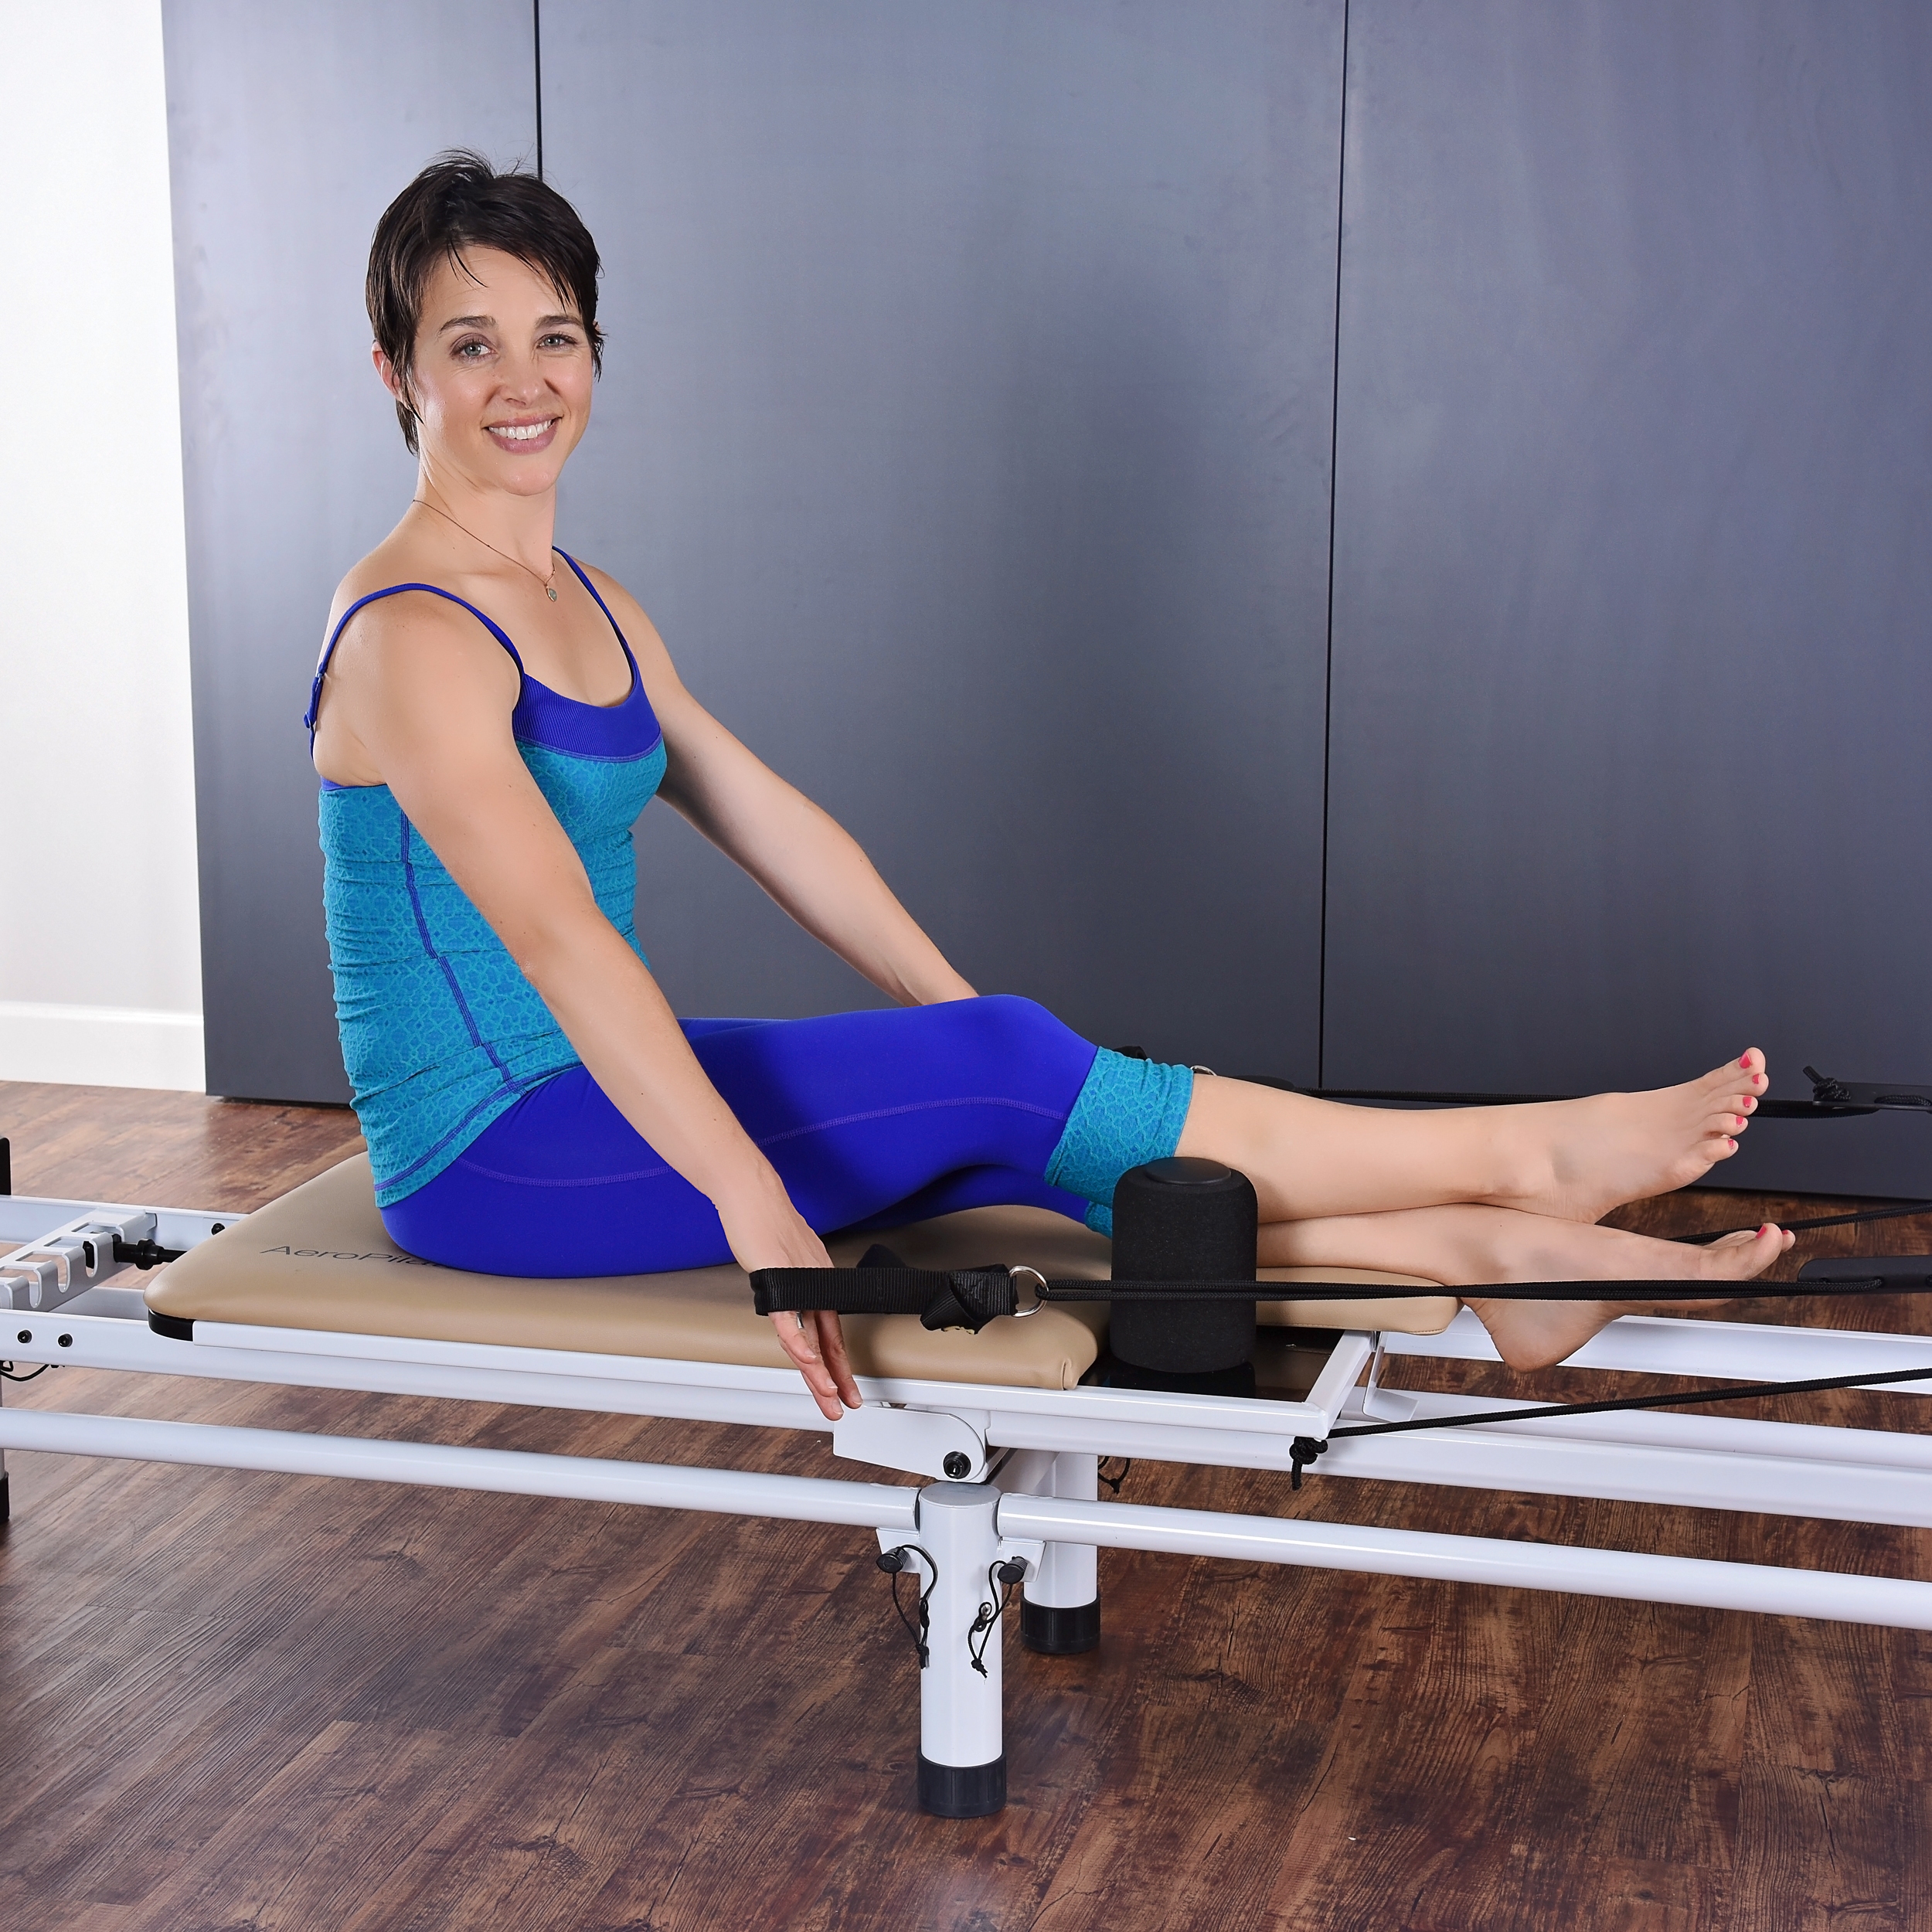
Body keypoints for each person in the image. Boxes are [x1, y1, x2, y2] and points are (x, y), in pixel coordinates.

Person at [308, 152, 1791, 1423]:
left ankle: (1503, 1266)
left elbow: (773, 824)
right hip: (487, 1152)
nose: (525, 383)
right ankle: (1529, 1159)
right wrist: (750, 1199)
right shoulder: (412, 636)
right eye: (471, 344)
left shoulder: (591, 599)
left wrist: (954, 1018)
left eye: (554, 336)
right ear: (398, 374)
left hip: (581, 1093)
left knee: (1024, 1125)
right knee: (1016, 1082)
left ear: (595, 353)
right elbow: (562, 937)